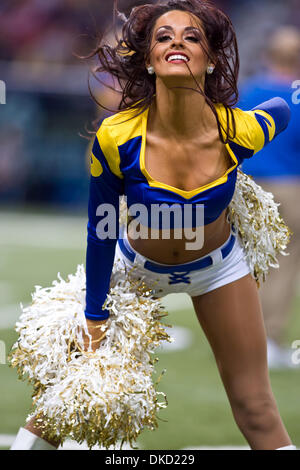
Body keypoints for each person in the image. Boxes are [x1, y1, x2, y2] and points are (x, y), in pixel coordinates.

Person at [11, 0, 296, 451]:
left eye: (192, 36)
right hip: (134, 270)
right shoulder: (117, 136)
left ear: (211, 57)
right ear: (148, 59)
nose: (177, 41)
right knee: (63, 402)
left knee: (257, 409)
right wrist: (93, 312)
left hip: (218, 268)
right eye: (163, 37)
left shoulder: (239, 130)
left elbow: (281, 108)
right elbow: (101, 228)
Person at [238, 26, 300, 369]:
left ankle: (238, 336)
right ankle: (268, 340)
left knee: (243, 262)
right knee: (285, 262)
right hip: (290, 186)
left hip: (247, 185)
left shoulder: (248, 90)